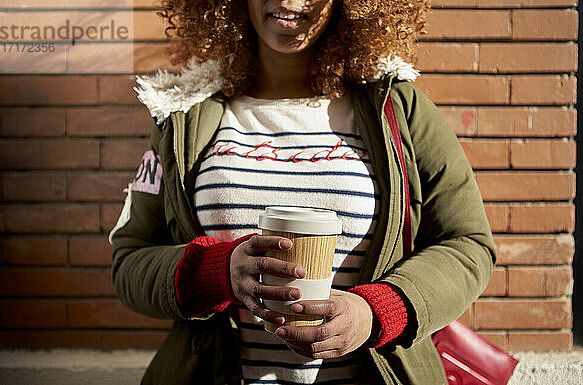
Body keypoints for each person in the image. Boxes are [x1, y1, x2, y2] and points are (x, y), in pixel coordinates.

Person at [109, 0, 495, 383]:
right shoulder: (182, 116)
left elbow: (467, 243)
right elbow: (131, 260)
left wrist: (377, 311)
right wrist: (218, 272)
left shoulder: (398, 109)